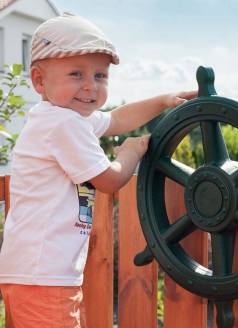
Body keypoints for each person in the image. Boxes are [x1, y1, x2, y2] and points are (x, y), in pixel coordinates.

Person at [0, 13, 196, 327]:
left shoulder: (58, 116)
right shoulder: (62, 123)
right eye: (76, 74)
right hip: (44, 274)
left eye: (101, 76)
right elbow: (109, 179)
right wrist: (130, 153)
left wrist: (161, 101)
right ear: (39, 80)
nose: (90, 86)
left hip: (35, 272)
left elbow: (116, 119)